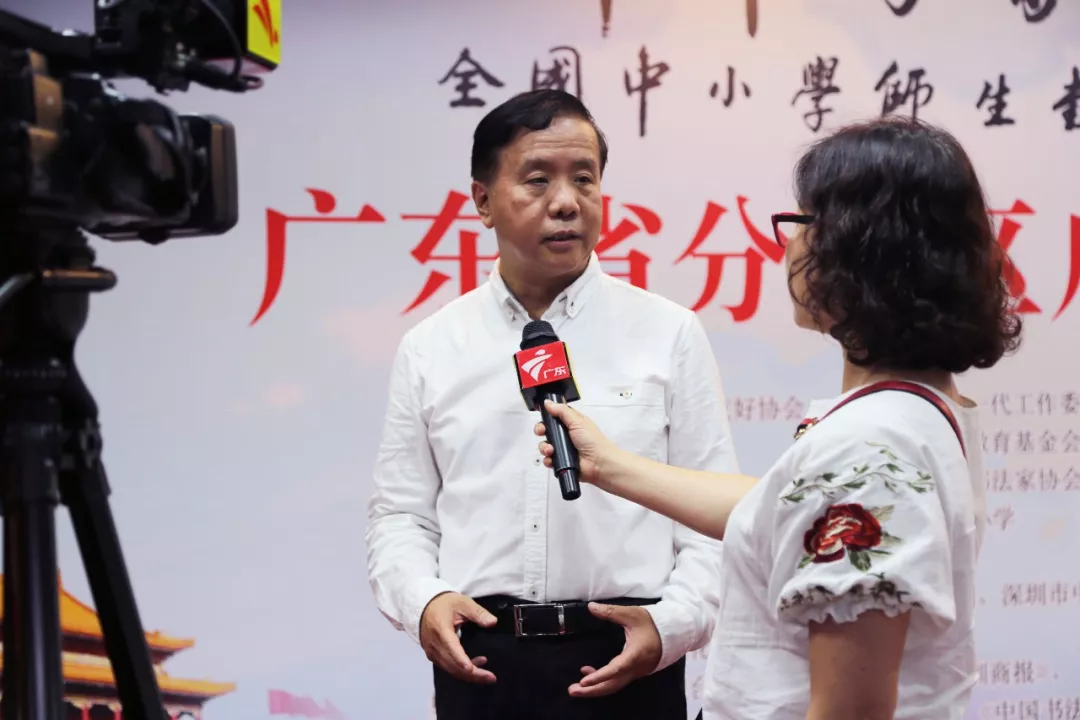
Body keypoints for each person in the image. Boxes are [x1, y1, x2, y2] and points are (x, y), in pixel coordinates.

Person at [535, 117, 1022, 719]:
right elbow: (783, 511)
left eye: (804, 222)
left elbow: (848, 712)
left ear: (862, 250)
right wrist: (607, 465)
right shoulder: (913, 411)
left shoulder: (868, 447)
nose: (790, 244)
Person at [365, 88, 740, 719]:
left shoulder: (667, 333)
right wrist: (423, 602)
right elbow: (400, 515)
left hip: (626, 656)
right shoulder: (431, 346)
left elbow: (712, 513)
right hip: (482, 661)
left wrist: (670, 626)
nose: (566, 202)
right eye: (537, 180)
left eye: (584, 179)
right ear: (483, 200)